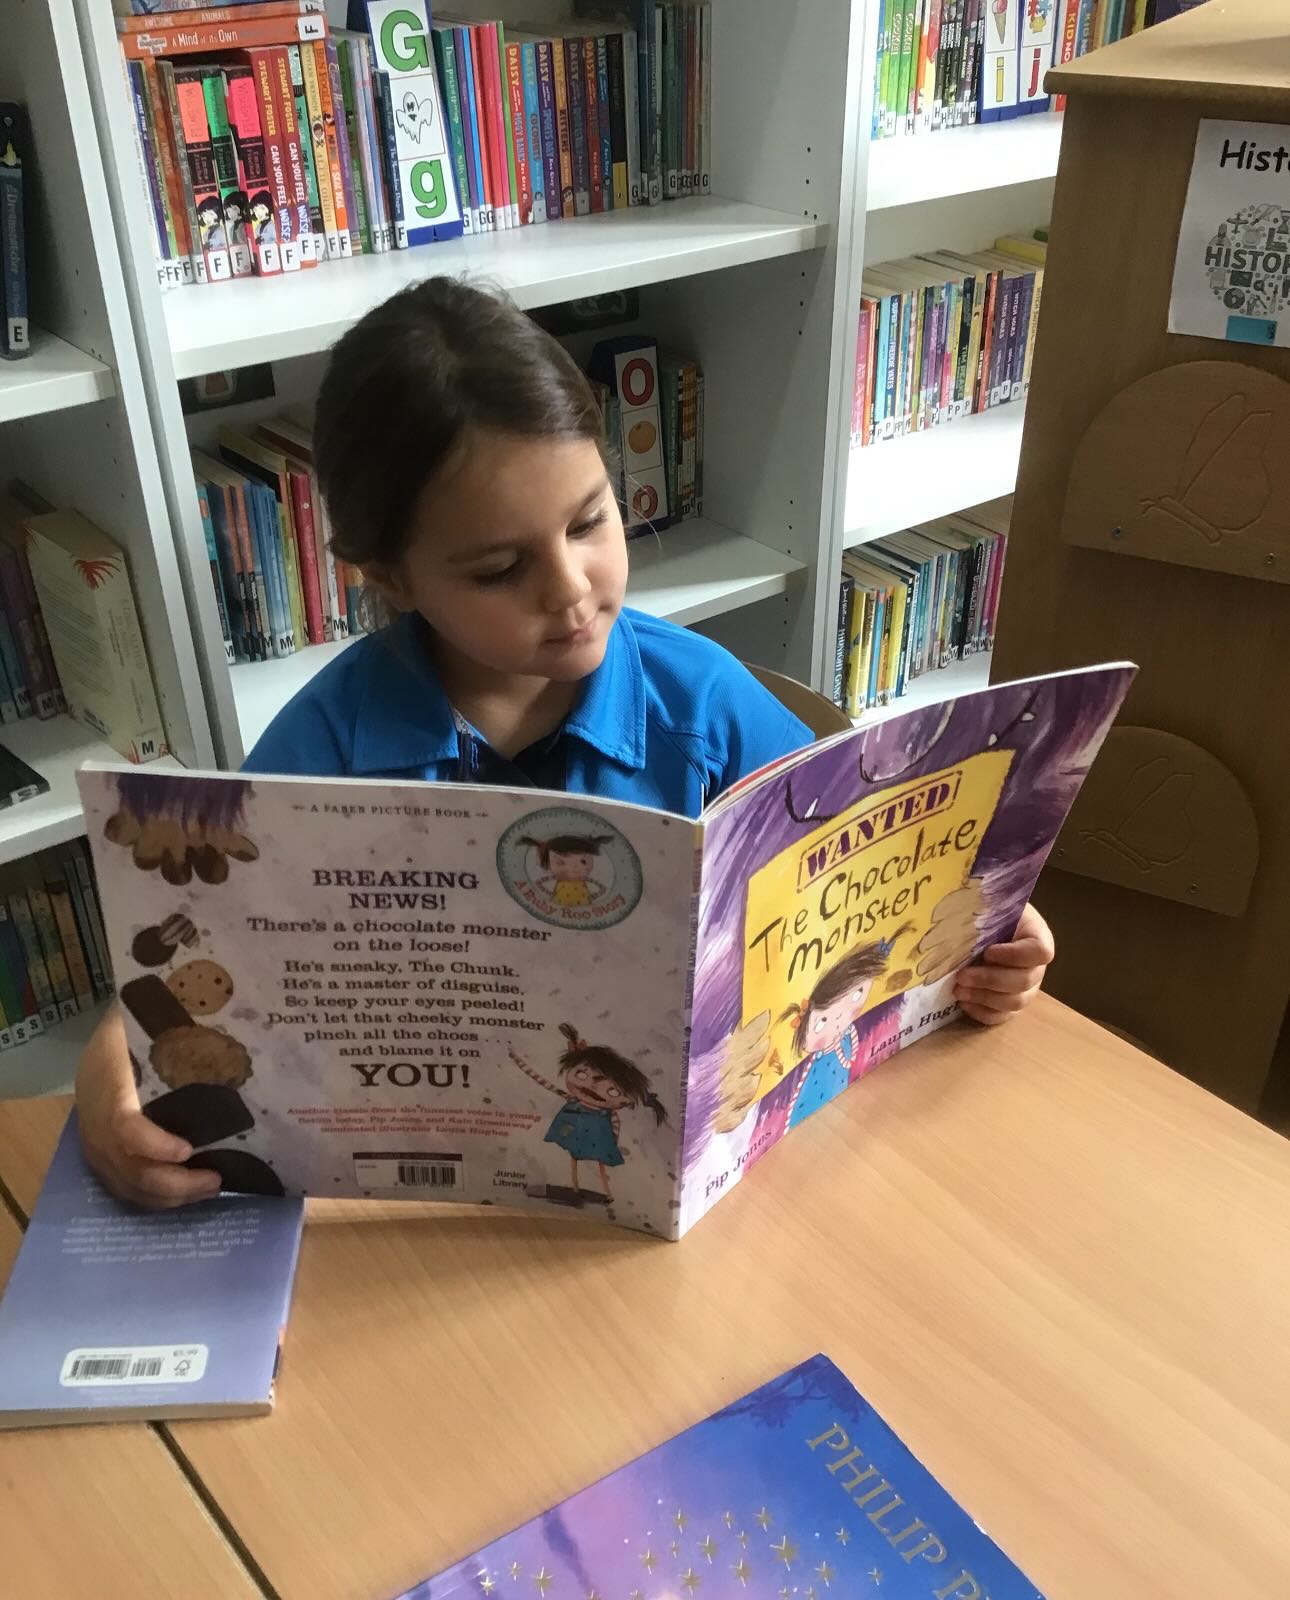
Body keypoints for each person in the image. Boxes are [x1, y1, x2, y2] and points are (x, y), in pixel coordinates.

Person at [75, 277, 1055, 1208]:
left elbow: (870, 864)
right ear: (391, 575)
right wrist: (105, 1097)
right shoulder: (324, 743)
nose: (573, 587)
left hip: (714, 1173)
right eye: (501, 569)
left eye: (591, 521)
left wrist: (983, 933)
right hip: (421, 1207)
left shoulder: (702, 698)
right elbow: (184, 969)